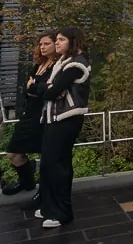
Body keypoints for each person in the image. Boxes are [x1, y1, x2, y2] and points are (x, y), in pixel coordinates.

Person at [35, 27, 91, 229]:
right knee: (48, 163)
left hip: (67, 119)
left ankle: (62, 212)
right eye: (56, 39)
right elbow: (47, 89)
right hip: (53, 118)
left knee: (58, 164)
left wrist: (44, 88)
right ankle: (49, 207)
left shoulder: (77, 64)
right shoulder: (63, 62)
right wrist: (46, 88)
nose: (56, 43)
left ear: (72, 41)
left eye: (61, 39)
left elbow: (51, 91)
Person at [1, 31, 58, 198]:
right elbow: (31, 87)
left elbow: (45, 90)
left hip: (42, 115)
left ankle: (43, 190)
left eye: (47, 44)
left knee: (46, 154)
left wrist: (33, 88)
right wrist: (33, 88)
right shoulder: (40, 64)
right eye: (40, 44)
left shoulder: (56, 67)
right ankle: (27, 180)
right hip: (29, 112)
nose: (42, 47)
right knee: (13, 152)